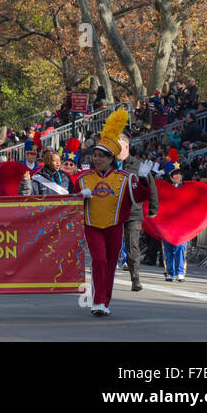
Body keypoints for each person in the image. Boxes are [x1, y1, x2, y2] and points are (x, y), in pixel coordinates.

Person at [72, 109, 146, 317]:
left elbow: (139, 196)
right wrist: (80, 197)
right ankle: (97, 300)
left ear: (110, 158)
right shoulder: (83, 179)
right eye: (95, 155)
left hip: (115, 226)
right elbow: (70, 202)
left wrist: (145, 179)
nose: (97, 159)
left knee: (111, 263)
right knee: (99, 260)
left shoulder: (124, 177)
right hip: (92, 225)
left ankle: (105, 300)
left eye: (101, 156)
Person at [119, 154, 158, 292]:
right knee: (110, 245)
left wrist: (153, 208)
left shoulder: (138, 164)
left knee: (132, 246)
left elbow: (150, 186)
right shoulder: (106, 162)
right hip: (112, 212)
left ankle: (135, 277)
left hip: (133, 212)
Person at [161, 168, 189, 282]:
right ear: (171, 176)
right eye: (175, 174)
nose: (178, 176)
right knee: (168, 248)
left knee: (181, 247)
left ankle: (180, 272)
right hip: (168, 223)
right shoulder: (165, 189)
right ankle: (169, 272)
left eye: (179, 174)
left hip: (181, 223)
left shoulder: (186, 189)